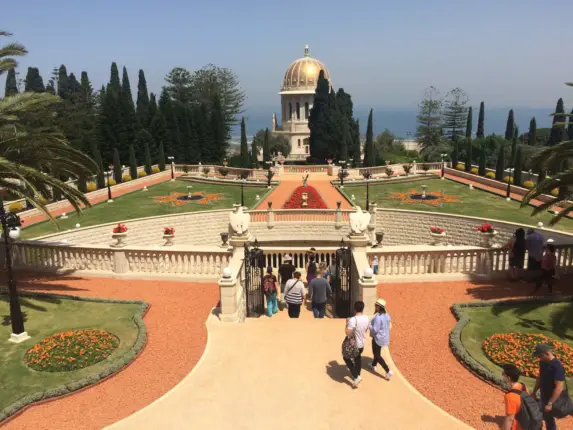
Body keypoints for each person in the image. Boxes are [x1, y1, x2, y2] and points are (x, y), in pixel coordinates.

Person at [532, 343, 566, 430]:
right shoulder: (543, 362)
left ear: (547, 353)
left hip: (552, 398)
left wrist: (550, 403)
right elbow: (539, 378)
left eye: (540, 355)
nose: (539, 358)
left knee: (549, 419)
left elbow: (559, 388)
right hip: (544, 394)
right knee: (542, 416)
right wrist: (534, 391)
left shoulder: (557, 367)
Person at [344, 301, 370, 387]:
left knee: (346, 357)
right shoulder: (366, 318)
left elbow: (348, 333)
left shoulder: (353, 320)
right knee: (358, 358)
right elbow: (366, 330)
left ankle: (356, 376)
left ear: (354, 308)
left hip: (354, 345)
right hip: (362, 344)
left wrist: (346, 323)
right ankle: (358, 374)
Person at [368, 299, 393, 380]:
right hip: (384, 338)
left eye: (376, 305)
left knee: (377, 355)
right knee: (377, 352)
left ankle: (388, 371)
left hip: (377, 338)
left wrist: (369, 325)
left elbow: (375, 330)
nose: (375, 307)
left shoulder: (378, 317)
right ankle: (373, 365)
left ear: (380, 307)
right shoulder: (386, 315)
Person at [502, 364, 528, 430]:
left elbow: (510, 419)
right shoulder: (523, 386)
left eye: (503, 374)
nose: (502, 376)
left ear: (508, 378)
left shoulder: (510, 396)